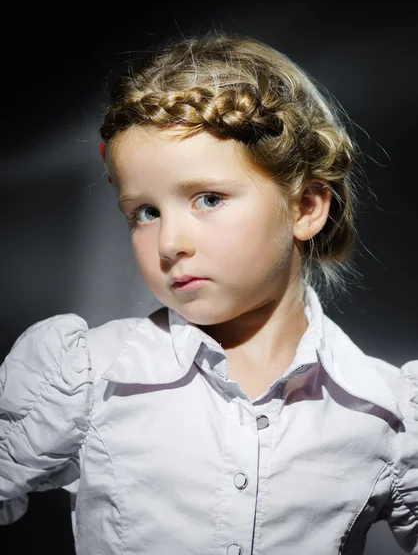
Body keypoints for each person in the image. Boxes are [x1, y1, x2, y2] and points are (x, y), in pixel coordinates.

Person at [1, 32, 417, 555]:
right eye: (145, 213)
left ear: (307, 206)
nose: (170, 243)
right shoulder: (87, 377)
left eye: (209, 199)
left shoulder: (387, 413)